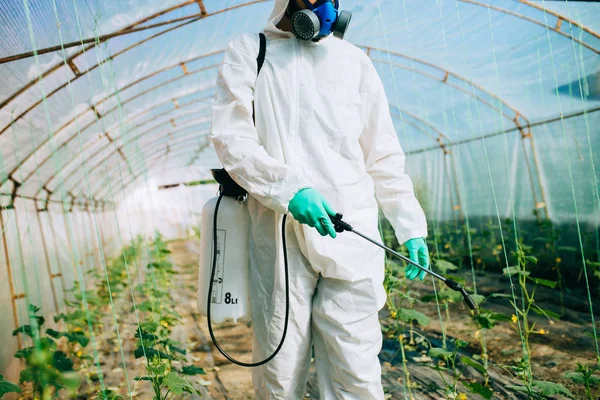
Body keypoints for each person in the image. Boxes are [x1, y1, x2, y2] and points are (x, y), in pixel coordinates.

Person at [210, 0, 430, 397]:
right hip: (279, 234)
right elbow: (231, 137)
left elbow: (381, 152)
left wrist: (410, 225)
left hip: (351, 232)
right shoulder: (251, 51)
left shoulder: (353, 62)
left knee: (356, 370)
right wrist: (288, 190)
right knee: (279, 370)